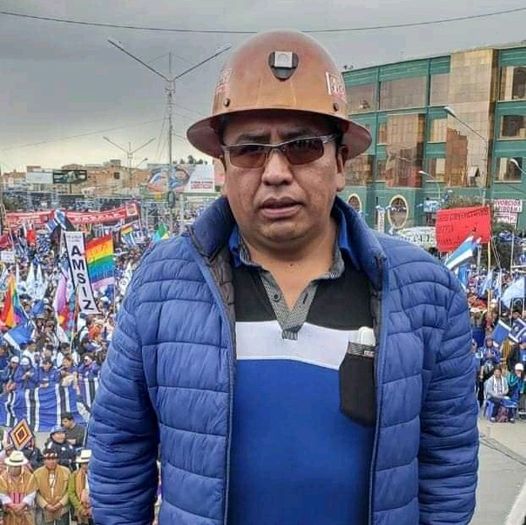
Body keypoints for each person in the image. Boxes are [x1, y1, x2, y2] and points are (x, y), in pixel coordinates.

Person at [88, 30, 479, 525]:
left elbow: (447, 463)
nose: (275, 171)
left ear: (341, 162)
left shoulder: (425, 292)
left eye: (302, 147)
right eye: (250, 149)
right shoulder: (162, 285)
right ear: (222, 167)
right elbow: (120, 446)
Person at [33, 451, 70, 525]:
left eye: (53, 459)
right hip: (44, 509)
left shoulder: (66, 471)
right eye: (48, 459)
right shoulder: (37, 473)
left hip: (62, 508)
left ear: (57, 460)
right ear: (44, 461)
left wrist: (60, 503)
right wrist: (45, 505)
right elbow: (35, 492)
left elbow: (69, 491)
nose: (51, 462)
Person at [0, 451, 37, 525]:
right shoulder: (2, 477)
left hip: (25, 513)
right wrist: (12, 505)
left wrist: (22, 505)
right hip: (9, 513)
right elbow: (2, 494)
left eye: (16, 466)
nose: (13, 468)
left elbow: (31, 493)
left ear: (21, 466)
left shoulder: (29, 477)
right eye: (12, 466)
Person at [68, 450, 92, 525]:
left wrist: (93, 508)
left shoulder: (98, 475)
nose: (85, 466)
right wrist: (80, 508)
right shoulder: (74, 475)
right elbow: (71, 493)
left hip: (95, 509)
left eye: (87, 463)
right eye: (83, 463)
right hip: (80, 510)